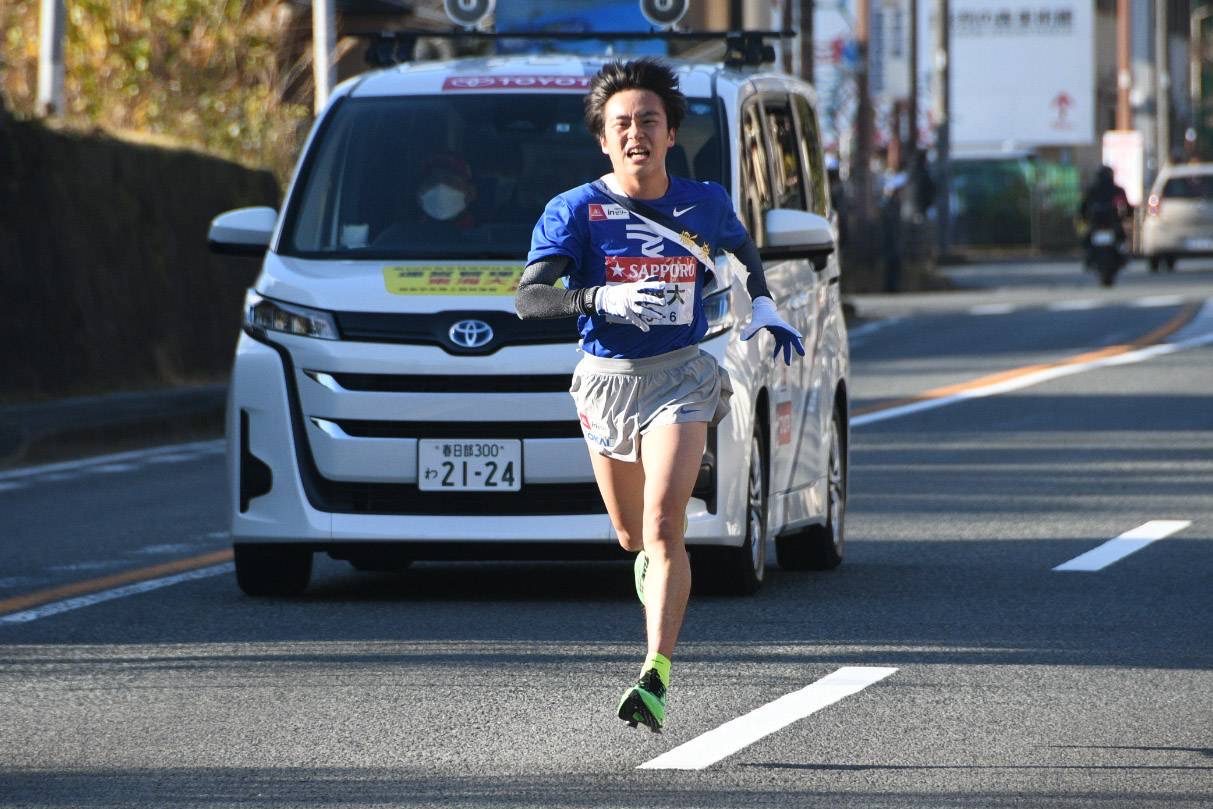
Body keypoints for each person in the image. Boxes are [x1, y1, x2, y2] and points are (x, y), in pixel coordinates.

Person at [514, 58, 804, 733]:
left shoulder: (704, 201)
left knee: (664, 524)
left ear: (671, 132)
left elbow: (741, 249)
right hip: (605, 381)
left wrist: (761, 304)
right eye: (621, 123)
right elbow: (528, 299)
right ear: (602, 138)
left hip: (681, 373)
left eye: (649, 120)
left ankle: (654, 671)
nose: (635, 132)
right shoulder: (575, 210)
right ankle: (653, 587)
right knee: (628, 536)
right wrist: (598, 295)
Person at [1078, 165, 1132, 260]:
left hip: (1108, 222)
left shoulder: (1093, 190)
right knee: (1088, 239)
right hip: (1105, 222)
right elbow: (1127, 207)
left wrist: (1084, 217)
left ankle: (1118, 256)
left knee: (1120, 238)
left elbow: (1083, 207)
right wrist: (1127, 215)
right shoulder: (1116, 190)